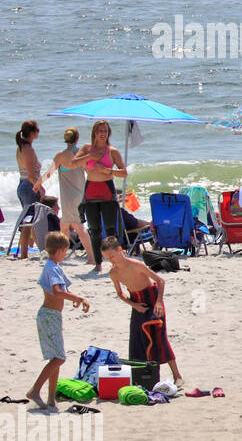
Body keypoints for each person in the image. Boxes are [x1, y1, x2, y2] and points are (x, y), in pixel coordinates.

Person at [102, 236, 183, 385]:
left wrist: (158, 302)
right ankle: (144, 377)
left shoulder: (136, 265)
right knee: (138, 340)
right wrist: (134, 305)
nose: (111, 260)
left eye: (112, 256)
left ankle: (177, 376)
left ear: (120, 250)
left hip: (152, 299)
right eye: (107, 258)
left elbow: (160, 281)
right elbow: (120, 294)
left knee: (160, 338)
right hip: (137, 303)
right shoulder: (113, 273)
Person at [25, 232, 89, 410]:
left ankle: (51, 398)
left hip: (52, 316)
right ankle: (35, 390)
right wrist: (78, 298)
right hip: (49, 316)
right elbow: (56, 291)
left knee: (56, 357)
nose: (66, 253)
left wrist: (71, 299)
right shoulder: (52, 267)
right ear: (60, 250)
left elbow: (61, 291)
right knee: (59, 358)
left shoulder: (53, 266)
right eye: (65, 251)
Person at [78, 120, 128, 272]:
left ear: (108, 133)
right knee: (94, 230)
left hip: (107, 191)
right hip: (91, 191)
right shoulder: (87, 148)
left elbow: (124, 172)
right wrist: (90, 156)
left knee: (111, 230)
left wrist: (108, 171)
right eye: (100, 130)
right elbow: (73, 163)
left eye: (105, 131)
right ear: (94, 132)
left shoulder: (112, 151)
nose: (102, 133)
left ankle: (115, 263)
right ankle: (98, 264)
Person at [38, 128, 93, 262]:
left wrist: (37, 183)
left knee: (79, 227)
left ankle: (92, 258)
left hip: (68, 197)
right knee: (64, 224)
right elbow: (90, 172)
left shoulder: (60, 155)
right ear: (77, 138)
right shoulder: (81, 154)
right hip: (80, 195)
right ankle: (62, 256)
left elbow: (49, 173)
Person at [14, 120, 44, 260]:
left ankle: (33, 250)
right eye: (37, 130)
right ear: (32, 133)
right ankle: (24, 254)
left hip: (23, 185)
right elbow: (31, 176)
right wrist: (40, 187)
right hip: (28, 186)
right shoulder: (28, 149)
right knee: (28, 222)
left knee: (29, 221)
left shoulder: (21, 147)